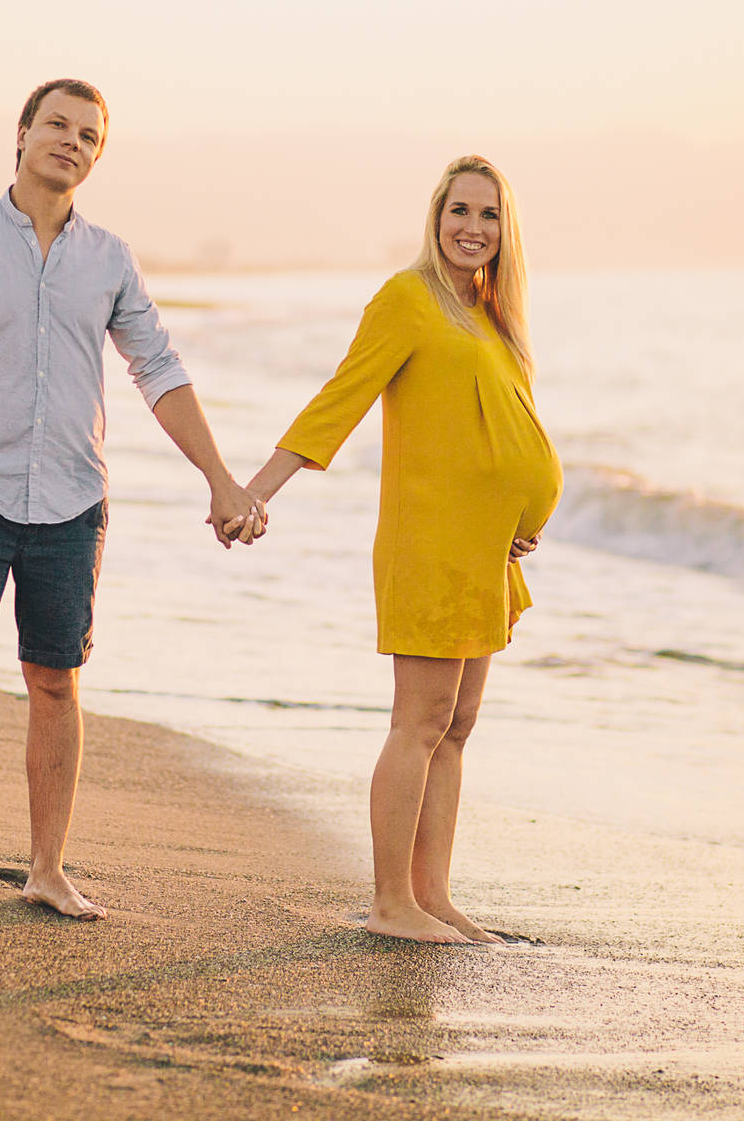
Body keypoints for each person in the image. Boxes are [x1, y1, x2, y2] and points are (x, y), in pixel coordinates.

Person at [0, 78, 264, 915]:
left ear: (96, 155)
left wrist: (221, 479)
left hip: (73, 502)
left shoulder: (110, 258)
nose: (71, 142)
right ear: (22, 134)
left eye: (88, 135)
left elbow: (160, 370)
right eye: (57, 125)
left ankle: (47, 870)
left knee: (54, 681)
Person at [244, 155, 561, 943]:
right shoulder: (406, 299)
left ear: (504, 230)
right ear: (436, 215)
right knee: (418, 723)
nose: (472, 228)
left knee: (457, 727)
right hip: (429, 546)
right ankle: (391, 904)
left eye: (488, 216)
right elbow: (339, 400)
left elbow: (498, 433)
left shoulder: (491, 317)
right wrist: (254, 492)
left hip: (487, 555)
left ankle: (433, 895)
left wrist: (521, 515)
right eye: (460, 211)